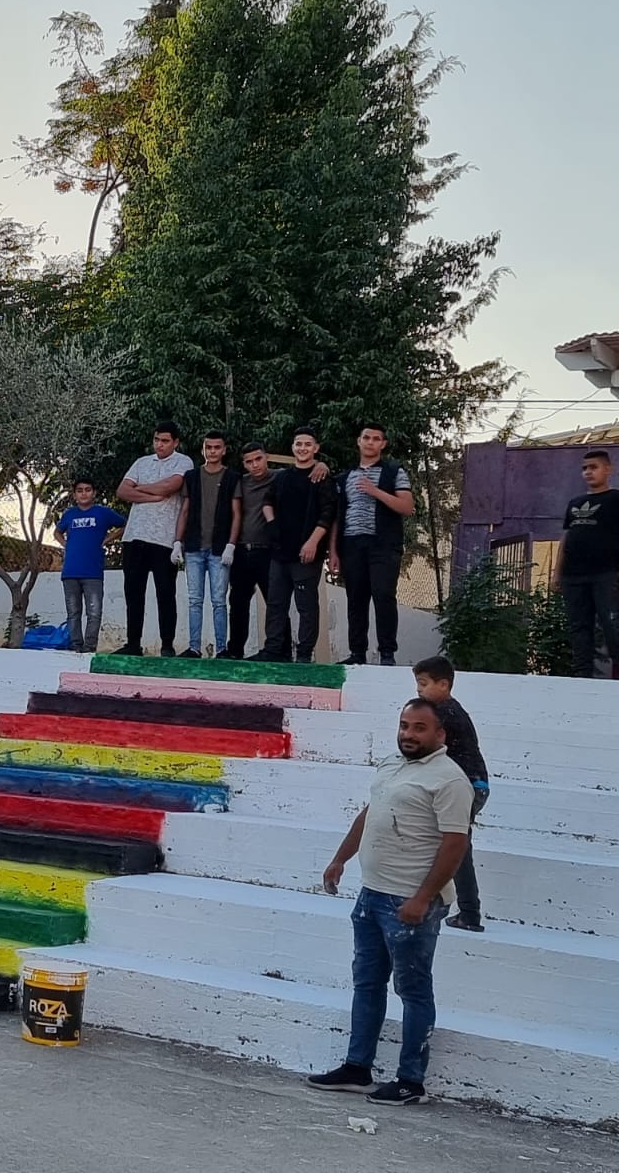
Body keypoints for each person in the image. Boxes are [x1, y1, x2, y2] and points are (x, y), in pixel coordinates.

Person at [311, 699, 472, 1106]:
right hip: (372, 893)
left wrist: (423, 897)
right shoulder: (391, 764)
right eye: (404, 725)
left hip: (411, 901)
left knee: (413, 990)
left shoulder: (450, 780)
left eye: (419, 728)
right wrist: (340, 859)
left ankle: (410, 1081)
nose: (408, 734)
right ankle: (357, 1068)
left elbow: (455, 844)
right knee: (367, 983)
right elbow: (370, 814)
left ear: (440, 734)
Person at [412, 656, 490, 933]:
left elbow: (425, 746)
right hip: (469, 784)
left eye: (423, 683)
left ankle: (468, 911)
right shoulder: (447, 711)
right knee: (453, 844)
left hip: (467, 786)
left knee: (456, 847)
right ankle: (463, 909)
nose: (419, 689)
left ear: (444, 684)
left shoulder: (444, 714)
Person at [329, 425, 415, 666]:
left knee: (384, 595)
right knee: (356, 599)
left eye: (376, 439)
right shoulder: (344, 477)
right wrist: (333, 551)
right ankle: (357, 653)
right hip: (351, 545)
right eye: (366, 438)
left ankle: (387, 653)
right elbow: (336, 517)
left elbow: (407, 507)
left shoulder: (394, 472)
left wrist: (375, 491)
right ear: (358, 441)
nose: (370, 442)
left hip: (383, 545)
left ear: (383, 444)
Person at [113, 421, 195, 657]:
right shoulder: (141, 462)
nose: (160, 445)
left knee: (165, 593)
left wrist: (139, 489)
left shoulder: (183, 462)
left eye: (165, 441)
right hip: (134, 536)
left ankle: (167, 645)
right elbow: (122, 491)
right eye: (157, 440)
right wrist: (151, 495)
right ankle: (133, 644)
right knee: (133, 593)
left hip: (164, 539)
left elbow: (171, 486)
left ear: (175, 442)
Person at [258, 427, 336, 663]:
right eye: (298, 444)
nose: (302, 448)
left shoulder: (322, 477)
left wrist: (312, 542)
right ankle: (273, 650)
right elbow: (267, 501)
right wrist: (271, 523)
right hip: (280, 553)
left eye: (307, 444)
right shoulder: (282, 477)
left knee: (306, 607)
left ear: (316, 448)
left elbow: (328, 514)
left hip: (307, 555)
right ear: (293, 447)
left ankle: (304, 654)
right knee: (275, 604)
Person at [173, 431, 241, 658]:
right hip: (193, 548)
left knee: (219, 602)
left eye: (216, 447)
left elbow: (237, 514)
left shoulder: (232, 477)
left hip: (220, 549)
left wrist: (231, 544)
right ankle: (194, 647)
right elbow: (185, 510)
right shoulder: (191, 476)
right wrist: (177, 541)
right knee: (194, 601)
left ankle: (221, 648)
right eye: (208, 447)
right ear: (203, 450)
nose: (212, 451)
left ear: (224, 450)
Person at [552, 449, 619, 679]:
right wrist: (557, 573)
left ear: (608, 470)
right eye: (584, 468)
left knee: (612, 626)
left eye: (593, 467)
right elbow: (566, 538)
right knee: (579, 628)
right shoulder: (575, 503)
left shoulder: (615, 499)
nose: (588, 472)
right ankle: (581, 679)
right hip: (573, 576)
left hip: (606, 574)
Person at [53, 477, 125, 654]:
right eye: (79, 490)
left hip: (93, 572)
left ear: (94, 493)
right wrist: (66, 544)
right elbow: (57, 532)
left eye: (87, 490)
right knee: (73, 612)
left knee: (94, 612)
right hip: (70, 572)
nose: (83, 493)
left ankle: (89, 647)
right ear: (74, 495)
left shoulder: (103, 512)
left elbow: (125, 524)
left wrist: (107, 539)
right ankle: (75, 645)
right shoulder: (69, 514)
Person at [224, 443, 277, 658]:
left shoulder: (280, 477)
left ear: (266, 457)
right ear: (244, 464)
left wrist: (321, 465)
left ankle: (279, 650)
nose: (255, 465)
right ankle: (235, 651)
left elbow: (307, 470)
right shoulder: (239, 482)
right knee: (237, 602)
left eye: (258, 459)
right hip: (240, 551)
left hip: (268, 551)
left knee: (275, 601)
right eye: (249, 461)